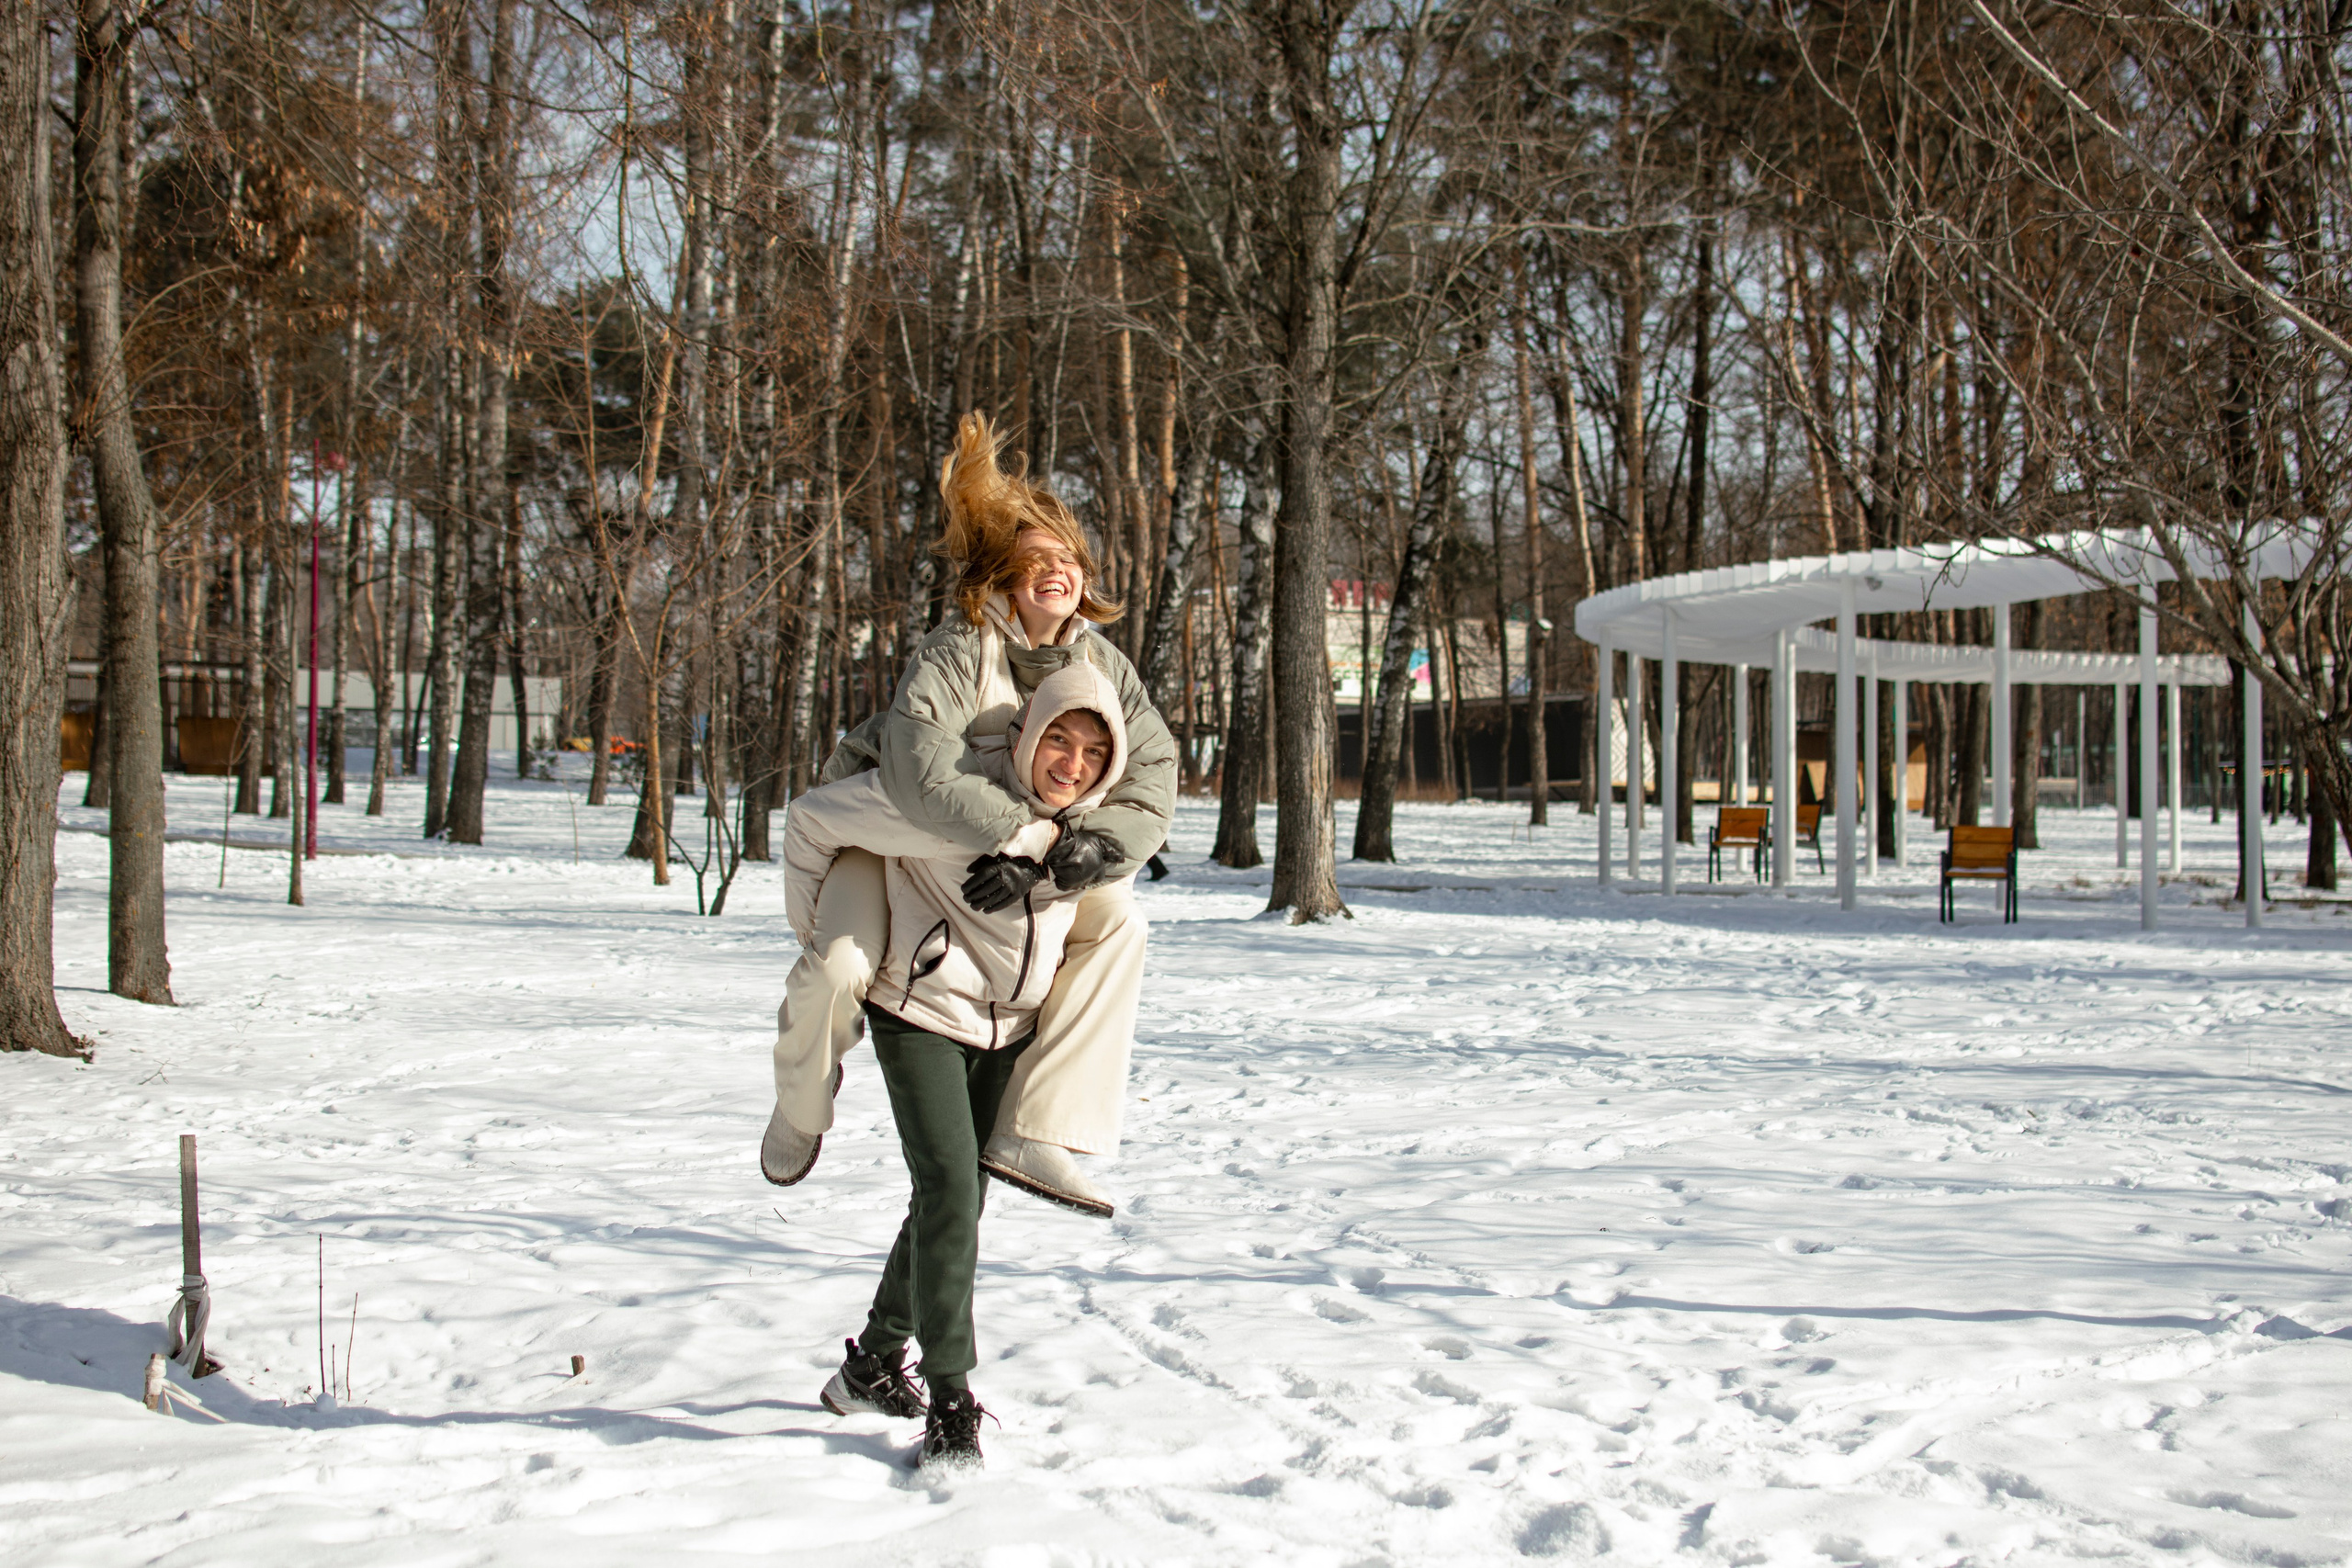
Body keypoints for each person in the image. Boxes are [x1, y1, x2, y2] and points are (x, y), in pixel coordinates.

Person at [760, 413, 1176, 1216]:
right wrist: (1028, 835)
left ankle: (1039, 1127)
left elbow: (1153, 775)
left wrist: (1097, 849)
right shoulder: (957, 648)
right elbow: (918, 774)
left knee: (1121, 919)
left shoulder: (1104, 664)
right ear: (998, 580)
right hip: (884, 838)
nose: (1055, 569)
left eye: (1066, 557)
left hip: (1012, 856)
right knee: (844, 964)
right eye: (1035, 560)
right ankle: (801, 1099)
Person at [782, 660, 1131, 1471]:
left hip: (1010, 1028)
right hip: (920, 1010)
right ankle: (949, 1398)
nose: (1070, 762)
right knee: (948, 1188)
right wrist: (824, 943)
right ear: (1025, 733)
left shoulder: (1093, 833)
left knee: (956, 1201)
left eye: (1090, 751)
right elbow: (823, 818)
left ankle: (872, 1362)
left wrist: (1051, 862)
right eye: (1058, 739)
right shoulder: (947, 792)